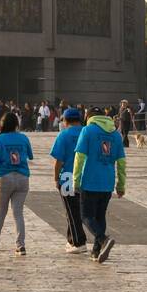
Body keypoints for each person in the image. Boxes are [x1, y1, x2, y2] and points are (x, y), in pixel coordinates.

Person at [72, 106, 126, 263]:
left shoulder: (87, 131)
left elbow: (79, 157)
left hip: (90, 181)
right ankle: (96, 252)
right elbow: (121, 162)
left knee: (86, 216)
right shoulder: (116, 135)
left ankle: (103, 239)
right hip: (107, 183)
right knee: (100, 216)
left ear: (89, 117)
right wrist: (121, 185)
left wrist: (76, 180)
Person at [0, 111, 34, 256]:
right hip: (23, 178)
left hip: (4, 177)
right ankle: (20, 245)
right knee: (18, 213)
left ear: (2, 124)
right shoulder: (24, 138)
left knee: (1, 211)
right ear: (16, 124)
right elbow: (30, 156)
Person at [49, 107, 88, 254]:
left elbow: (59, 160)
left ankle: (79, 242)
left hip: (67, 176)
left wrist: (55, 178)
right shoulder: (87, 132)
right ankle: (71, 240)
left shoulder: (63, 135)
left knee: (70, 210)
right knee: (76, 210)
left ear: (65, 121)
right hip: (85, 176)